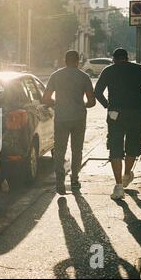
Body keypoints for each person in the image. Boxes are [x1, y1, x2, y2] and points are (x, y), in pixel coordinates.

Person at [94, 48, 141, 200]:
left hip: (115, 114)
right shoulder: (139, 69)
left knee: (115, 147)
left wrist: (108, 105)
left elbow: (97, 91)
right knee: (132, 145)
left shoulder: (108, 70)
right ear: (127, 58)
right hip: (135, 114)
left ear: (114, 59)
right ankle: (127, 174)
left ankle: (118, 186)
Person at [43, 50, 96, 194]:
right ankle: (74, 179)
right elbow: (92, 102)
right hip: (78, 117)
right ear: (78, 61)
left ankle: (60, 180)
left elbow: (46, 98)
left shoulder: (56, 76)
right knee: (77, 150)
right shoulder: (84, 77)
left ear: (64, 60)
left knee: (60, 150)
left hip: (61, 118)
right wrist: (82, 105)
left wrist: (57, 104)